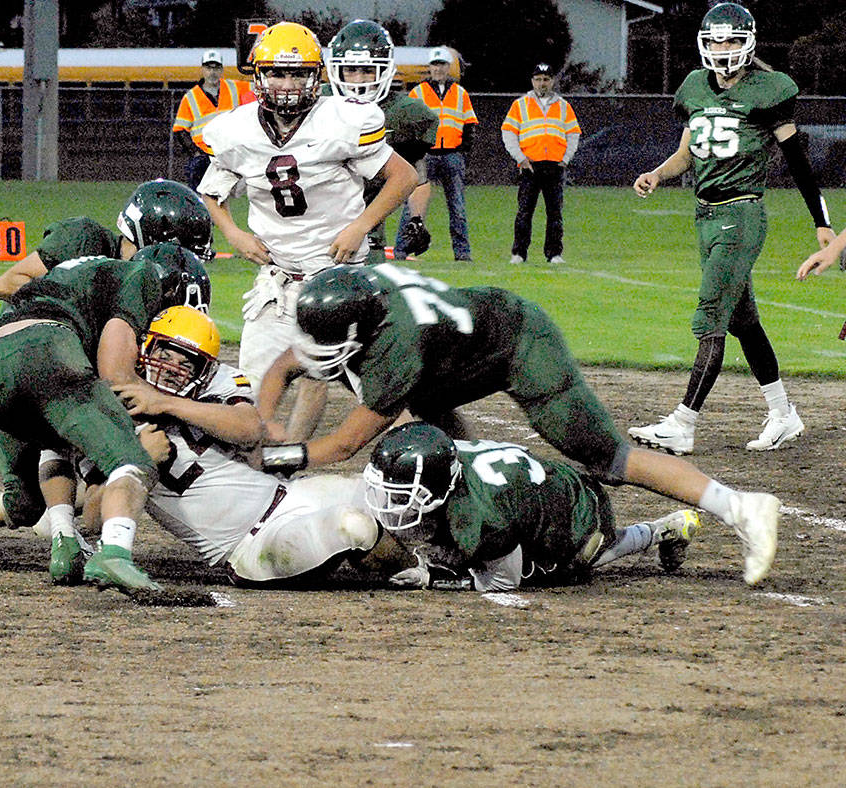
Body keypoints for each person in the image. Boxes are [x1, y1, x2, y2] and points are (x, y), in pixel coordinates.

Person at [255, 263, 780, 586]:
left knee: (609, 457)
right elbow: (286, 363)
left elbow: (346, 443)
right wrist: (264, 425)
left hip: (516, 344)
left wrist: (285, 456)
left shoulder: (396, 348)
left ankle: (740, 508)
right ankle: (465, 537)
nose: (315, 355)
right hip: (452, 354)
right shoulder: (359, 303)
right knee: (442, 456)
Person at [0, 243, 211, 592]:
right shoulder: (142, 277)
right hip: (43, 353)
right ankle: (116, 554)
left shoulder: (87, 276)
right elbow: (114, 373)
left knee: (25, 501)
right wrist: (145, 417)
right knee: (132, 458)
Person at [198, 21, 418, 443]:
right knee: (248, 401)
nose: (287, 83)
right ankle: (260, 484)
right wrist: (232, 232)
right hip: (278, 284)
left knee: (386, 399)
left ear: (316, 77)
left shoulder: (341, 121)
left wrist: (361, 226)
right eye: (277, 72)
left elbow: (403, 176)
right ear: (258, 75)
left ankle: (435, 466)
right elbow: (212, 189)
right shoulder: (237, 130)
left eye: (298, 73)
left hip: (342, 284)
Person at [629, 2, 833, 457]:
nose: (723, 49)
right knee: (743, 321)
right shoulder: (695, 87)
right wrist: (659, 174)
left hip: (740, 216)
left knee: (711, 318)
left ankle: (683, 422)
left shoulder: (769, 91)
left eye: (732, 40)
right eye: (716, 40)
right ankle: (783, 414)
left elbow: (799, 163)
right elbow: (687, 152)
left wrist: (821, 222)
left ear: (748, 44)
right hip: (704, 215)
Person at [103, 306, 381, 585]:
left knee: (384, 493)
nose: (171, 369)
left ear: (204, 370)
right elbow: (93, 514)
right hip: (253, 545)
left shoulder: (217, 382)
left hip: (289, 495)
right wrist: (138, 460)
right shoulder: (110, 416)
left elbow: (248, 429)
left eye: (186, 364)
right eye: (164, 354)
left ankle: (418, 572)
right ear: (146, 349)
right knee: (353, 525)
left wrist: (165, 403)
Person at [363, 423, 699, 592]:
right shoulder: (445, 457)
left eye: (402, 492)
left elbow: (503, 582)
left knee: (577, 564)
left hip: (578, 511)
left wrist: (434, 578)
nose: (393, 501)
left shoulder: (484, 515)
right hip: (541, 487)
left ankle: (660, 530)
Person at [323, 19, 440, 265]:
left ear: (384, 71)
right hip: (311, 230)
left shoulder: (406, 112)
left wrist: (416, 219)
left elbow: (417, 176)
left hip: (367, 235)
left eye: (367, 70)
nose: (358, 79)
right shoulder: (316, 104)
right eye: (351, 70)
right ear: (337, 70)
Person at [0, 179, 214, 301]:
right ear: (153, 238)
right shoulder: (83, 240)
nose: (182, 261)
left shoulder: (152, 279)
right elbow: (5, 284)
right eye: (182, 251)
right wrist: (79, 305)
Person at [399, 46, 478, 262]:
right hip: (425, 155)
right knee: (413, 205)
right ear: (430, 68)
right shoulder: (418, 92)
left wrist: (462, 152)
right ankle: (402, 250)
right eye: (435, 65)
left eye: (442, 64)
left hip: (452, 155)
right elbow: (408, 124)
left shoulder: (460, 93)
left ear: (448, 68)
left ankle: (462, 254)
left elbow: (469, 125)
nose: (438, 69)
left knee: (458, 207)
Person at [501, 62, 580, 265]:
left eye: (545, 79)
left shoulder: (563, 106)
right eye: (538, 79)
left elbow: (573, 133)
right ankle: (519, 253)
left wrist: (566, 158)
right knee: (525, 212)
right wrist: (520, 158)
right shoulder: (520, 105)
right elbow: (508, 132)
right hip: (531, 166)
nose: (542, 83)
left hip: (555, 165)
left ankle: (554, 253)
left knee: (555, 213)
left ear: (552, 81)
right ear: (532, 81)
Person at [171, 51, 255, 190]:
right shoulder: (191, 97)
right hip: (204, 156)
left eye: (216, 68)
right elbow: (180, 130)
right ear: (202, 70)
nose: (212, 72)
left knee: (221, 199)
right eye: (208, 68)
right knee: (201, 196)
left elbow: (258, 87)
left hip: (230, 154)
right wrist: (196, 153)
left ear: (222, 70)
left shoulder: (234, 87)